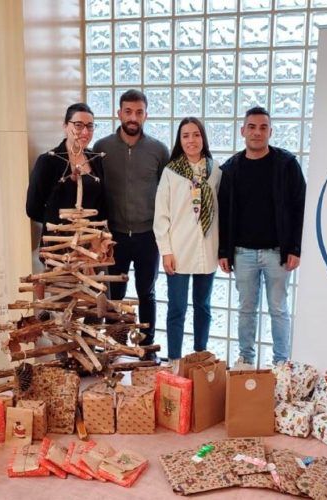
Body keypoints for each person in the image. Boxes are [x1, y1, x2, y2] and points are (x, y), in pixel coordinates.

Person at [218, 106, 306, 369]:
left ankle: (282, 364)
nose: (257, 133)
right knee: (246, 310)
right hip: (242, 253)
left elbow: (300, 206)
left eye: (263, 127)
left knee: (278, 309)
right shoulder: (230, 169)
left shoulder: (286, 164)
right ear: (243, 130)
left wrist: (295, 248)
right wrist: (224, 251)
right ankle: (245, 360)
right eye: (252, 127)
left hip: (277, 252)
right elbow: (224, 213)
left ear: (270, 131)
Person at [93, 90, 169, 361]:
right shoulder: (101, 148)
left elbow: (168, 194)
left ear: (146, 115)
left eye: (139, 112)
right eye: (128, 111)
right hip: (114, 236)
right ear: (119, 113)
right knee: (115, 294)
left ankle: (147, 349)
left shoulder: (159, 151)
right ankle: (115, 346)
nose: (133, 117)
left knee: (147, 292)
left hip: (148, 235)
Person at [154, 118, 221, 370]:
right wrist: (166, 251)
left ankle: (200, 356)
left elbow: (220, 211)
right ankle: (173, 360)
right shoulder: (171, 172)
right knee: (177, 308)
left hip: (207, 248)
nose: (191, 140)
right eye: (185, 136)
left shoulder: (216, 170)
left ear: (203, 138)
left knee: (203, 306)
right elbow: (161, 215)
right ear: (179, 141)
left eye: (195, 135)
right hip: (179, 250)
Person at [26, 102, 105, 247]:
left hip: (91, 243)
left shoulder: (96, 159)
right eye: (78, 125)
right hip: (59, 246)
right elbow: (33, 208)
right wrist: (61, 226)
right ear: (65, 126)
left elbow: (101, 203)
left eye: (90, 126)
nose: (85, 132)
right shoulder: (48, 161)